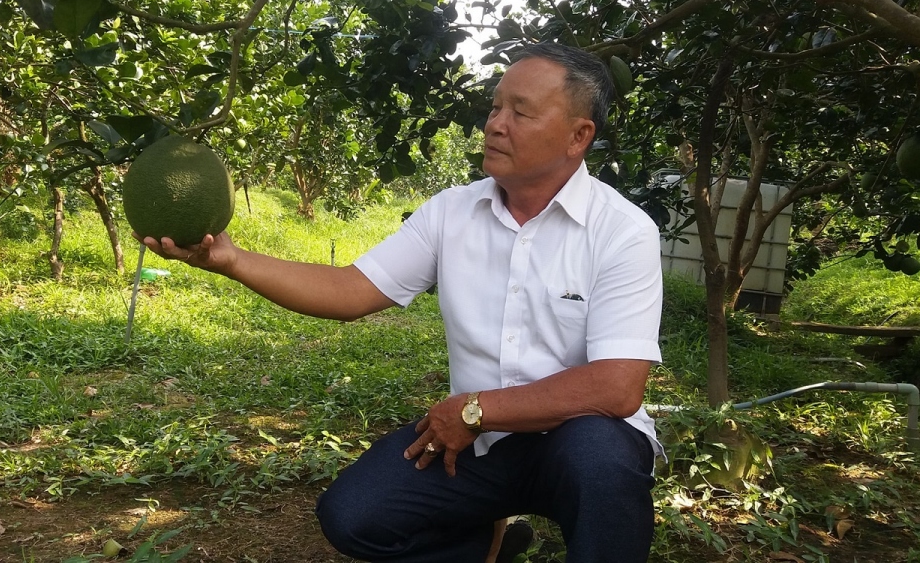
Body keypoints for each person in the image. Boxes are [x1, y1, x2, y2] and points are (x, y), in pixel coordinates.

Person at [137, 42, 663, 563]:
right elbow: (351, 290)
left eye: (519, 111)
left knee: (602, 459)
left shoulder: (621, 231)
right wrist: (232, 261)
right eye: (495, 106)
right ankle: (482, 545)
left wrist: (478, 410)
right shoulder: (452, 213)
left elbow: (616, 386)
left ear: (578, 136)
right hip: (476, 443)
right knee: (355, 515)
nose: (495, 124)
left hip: (573, 441)